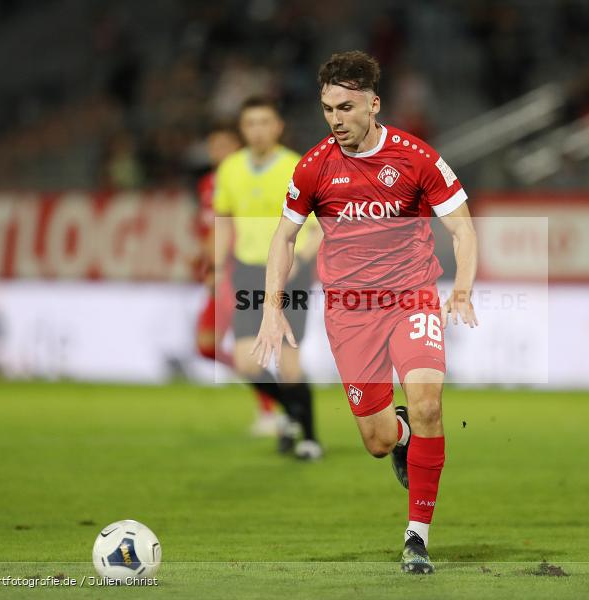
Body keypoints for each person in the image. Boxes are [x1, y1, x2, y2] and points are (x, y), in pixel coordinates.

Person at [252, 51, 477, 574]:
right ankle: (400, 434)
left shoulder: (416, 157)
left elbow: (463, 228)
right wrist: (270, 308)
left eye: (346, 107)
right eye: (328, 108)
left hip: (411, 296)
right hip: (350, 312)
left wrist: (461, 288)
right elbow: (284, 238)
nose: (336, 119)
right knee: (377, 442)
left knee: (427, 402)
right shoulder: (313, 166)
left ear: (373, 105)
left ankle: (416, 537)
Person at [213, 97, 323, 459]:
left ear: (278, 127)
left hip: (290, 273)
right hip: (248, 271)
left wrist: (299, 261)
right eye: (251, 123)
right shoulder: (230, 169)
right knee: (246, 361)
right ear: (242, 129)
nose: (258, 130)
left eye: (265, 122)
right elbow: (224, 222)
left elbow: (323, 226)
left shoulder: (298, 167)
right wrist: (216, 268)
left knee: (289, 362)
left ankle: (309, 437)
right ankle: (292, 412)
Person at [193, 122, 277, 437]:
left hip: (240, 272)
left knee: (245, 345)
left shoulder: (248, 180)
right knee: (205, 346)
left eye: (225, 146)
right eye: (214, 146)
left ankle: (269, 410)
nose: (219, 152)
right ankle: (272, 391)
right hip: (218, 273)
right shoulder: (207, 184)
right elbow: (208, 230)